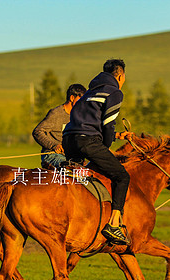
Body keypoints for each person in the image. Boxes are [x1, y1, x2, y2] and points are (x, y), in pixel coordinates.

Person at [62, 59, 133, 245]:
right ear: (120, 75)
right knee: (122, 177)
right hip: (88, 141)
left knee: (78, 179)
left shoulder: (90, 92)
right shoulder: (114, 92)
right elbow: (108, 124)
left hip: (69, 139)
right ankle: (114, 224)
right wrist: (107, 145)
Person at [32, 84, 86, 168]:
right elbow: (37, 131)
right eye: (81, 100)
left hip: (71, 157)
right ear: (72, 98)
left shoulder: (79, 116)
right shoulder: (56, 113)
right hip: (52, 156)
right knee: (71, 168)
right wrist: (54, 145)